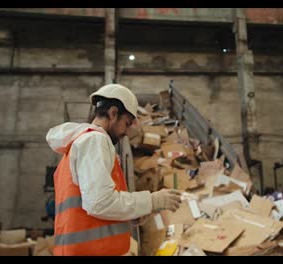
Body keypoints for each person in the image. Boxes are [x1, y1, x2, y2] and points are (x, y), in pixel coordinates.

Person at [46, 83, 182, 256]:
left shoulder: (83, 143)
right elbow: (99, 203)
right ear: (113, 113)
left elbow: (91, 205)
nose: (126, 132)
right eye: (127, 123)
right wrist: (152, 201)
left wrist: (135, 213)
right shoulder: (95, 141)